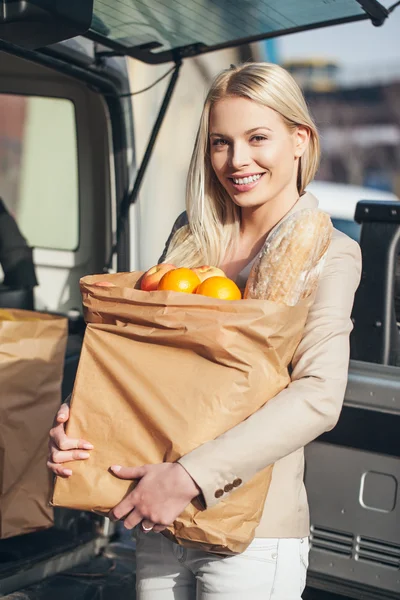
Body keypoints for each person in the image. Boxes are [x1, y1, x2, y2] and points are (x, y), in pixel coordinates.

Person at [47, 63, 362, 599]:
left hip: (251, 534)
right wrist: (82, 422)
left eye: (257, 138)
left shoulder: (333, 252)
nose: (237, 160)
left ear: (299, 140)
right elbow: (144, 358)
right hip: (157, 516)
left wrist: (190, 477)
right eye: (221, 142)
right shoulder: (189, 238)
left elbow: (318, 397)